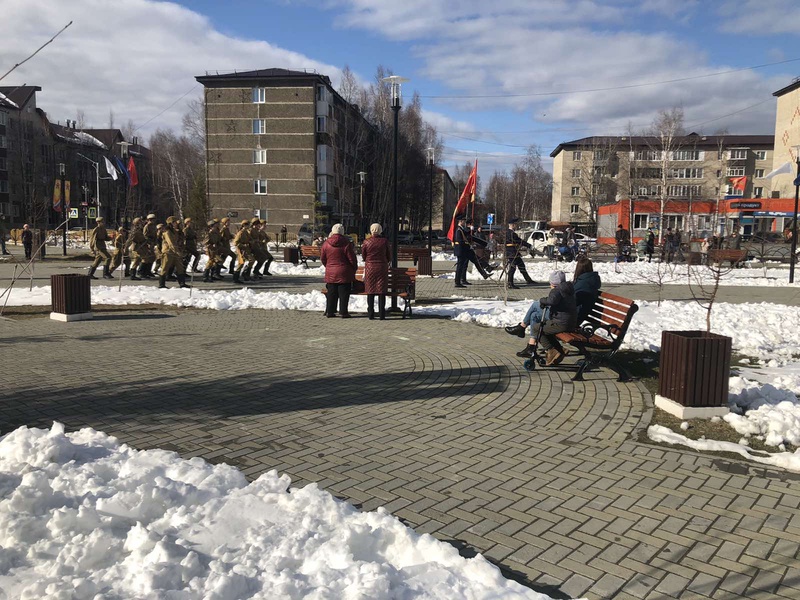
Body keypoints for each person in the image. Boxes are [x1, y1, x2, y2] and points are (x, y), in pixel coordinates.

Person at [525, 271, 577, 365]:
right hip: (569, 321)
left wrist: (542, 300)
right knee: (545, 327)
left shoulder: (557, 290)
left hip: (561, 323)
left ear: (553, 283)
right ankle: (559, 350)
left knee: (537, 328)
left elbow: (552, 301)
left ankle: (552, 350)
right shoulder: (568, 289)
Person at [321, 223, 357, 318]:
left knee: (331, 292)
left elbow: (323, 258)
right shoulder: (346, 243)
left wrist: (328, 266)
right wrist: (353, 268)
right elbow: (352, 259)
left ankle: (330, 311)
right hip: (344, 272)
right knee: (344, 293)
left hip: (331, 271)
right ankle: (343, 312)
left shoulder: (326, 244)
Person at [361, 222, 391, 320]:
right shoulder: (384, 241)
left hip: (370, 268)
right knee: (381, 291)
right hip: (382, 267)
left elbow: (364, 255)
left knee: (370, 291)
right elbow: (388, 255)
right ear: (380, 230)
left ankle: (371, 314)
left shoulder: (366, 241)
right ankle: (382, 314)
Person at [159, 216, 189, 289]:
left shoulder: (174, 231)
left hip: (176, 252)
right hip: (168, 252)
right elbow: (171, 243)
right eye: (175, 222)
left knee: (180, 267)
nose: (176, 223)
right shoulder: (167, 232)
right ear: (171, 223)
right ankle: (161, 284)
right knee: (165, 267)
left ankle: (182, 283)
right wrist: (177, 251)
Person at [505, 218, 535, 289]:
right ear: (512, 225)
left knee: (521, 265)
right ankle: (510, 283)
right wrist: (529, 245)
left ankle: (528, 280)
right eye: (515, 224)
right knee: (512, 268)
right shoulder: (511, 233)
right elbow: (519, 241)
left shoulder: (510, 232)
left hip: (514, 252)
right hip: (511, 253)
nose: (516, 226)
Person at [573, 257, 601, 323]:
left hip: (574, 318)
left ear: (578, 269)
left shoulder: (583, 283)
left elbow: (572, 301)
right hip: (579, 314)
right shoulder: (591, 280)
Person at [453, 214, 470, 288]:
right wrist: (466, 245)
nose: (464, 222)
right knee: (459, 267)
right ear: (460, 221)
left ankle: (459, 281)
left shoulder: (461, 229)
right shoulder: (458, 230)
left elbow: (466, 234)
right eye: (463, 221)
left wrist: (470, 229)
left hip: (461, 250)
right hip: (460, 250)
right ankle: (457, 282)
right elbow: (460, 241)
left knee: (461, 266)